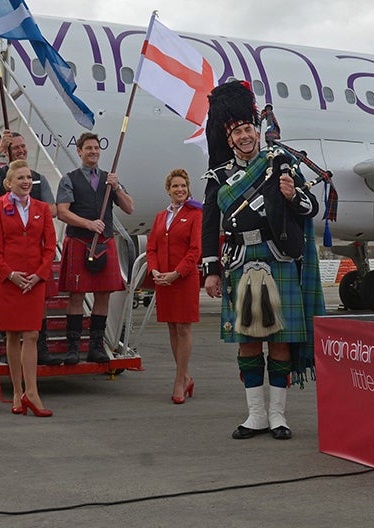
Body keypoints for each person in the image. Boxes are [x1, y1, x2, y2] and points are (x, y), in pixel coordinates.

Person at [202, 80, 325, 440]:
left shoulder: (281, 164)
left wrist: (291, 195)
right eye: (237, 131)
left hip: (277, 257)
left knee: (281, 342)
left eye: (247, 129)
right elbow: (210, 227)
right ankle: (255, 414)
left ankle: (278, 416)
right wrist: (211, 270)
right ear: (229, 139)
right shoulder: (218, 177)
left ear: (257, 131)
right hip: (241, 260)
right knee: (249, 342)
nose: (244, 136)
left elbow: (310, 208)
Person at [0, 130, 60, 364]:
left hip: (33, 253)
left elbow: (52, 209)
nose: (20, 150)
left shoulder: (37, 177)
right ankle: (4, 354)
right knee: (8, 317)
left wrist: (31, 209)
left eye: (23, 146)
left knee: (37, 308)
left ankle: (41, 350)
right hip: (7, 258)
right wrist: (1, 147)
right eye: (15, 147)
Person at [56, 132, 135, 364]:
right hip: (80, 241)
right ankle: (73, 348)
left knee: (103, 296)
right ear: (79, 151)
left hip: (104, 243)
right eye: (88, 148)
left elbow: (130, 208)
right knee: (76, 296)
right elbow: (62, 211)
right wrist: (88, 223)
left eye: (96, 148)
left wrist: (117, 187)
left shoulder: (109, 179)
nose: (93, 152)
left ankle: (96, 346)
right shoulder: (68, 179)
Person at [0, 160, 57, 417]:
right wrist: (10, 275)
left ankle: (33, 392)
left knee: (32, 335)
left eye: (28, 177)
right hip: (10, 281)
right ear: (9, 183)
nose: (26, 181)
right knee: (12, 337)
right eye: (21, 178)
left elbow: (50, 246)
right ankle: (17, 391)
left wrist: (39, 275)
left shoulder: (42, 209)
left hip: (34, 281)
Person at [145, 168, 203, 403]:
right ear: (168, 190)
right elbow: (151, 248)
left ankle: (179, 381)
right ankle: (186, 376)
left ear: (188, 189)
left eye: (183, 186)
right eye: (175, 186)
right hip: (163, 280)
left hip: (184, 279)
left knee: (183, 328)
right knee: (171, 328)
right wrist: (155, 270)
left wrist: (176, 274)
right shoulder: (161, 216)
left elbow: (195, 250)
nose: (180, 190)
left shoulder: (195, 214)